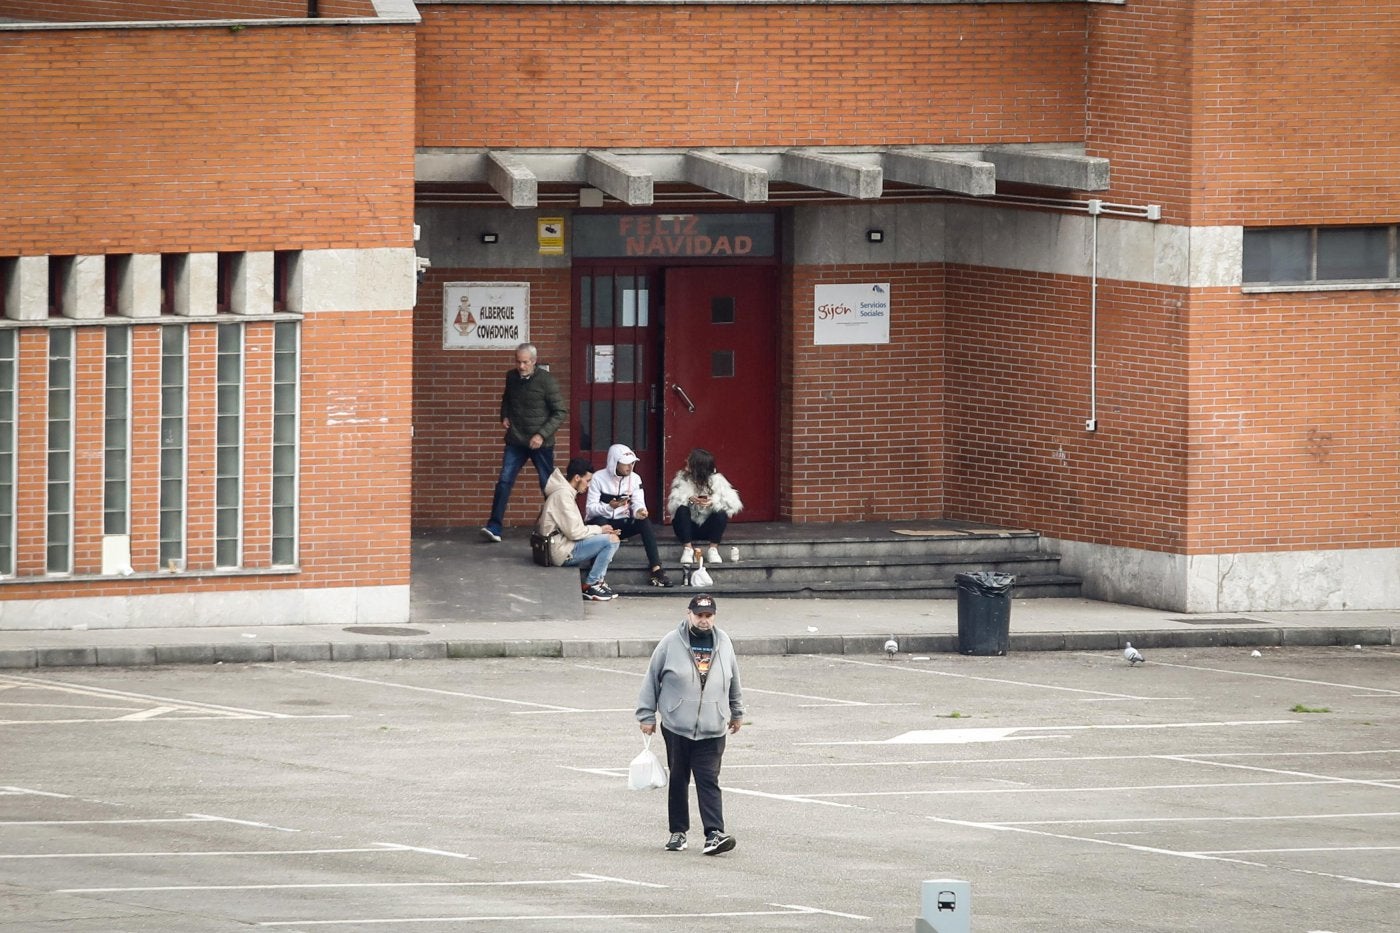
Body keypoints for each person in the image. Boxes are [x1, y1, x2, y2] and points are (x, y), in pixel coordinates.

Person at [636, 593, 744, 855]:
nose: (704, 621)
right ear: (689, 614)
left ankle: (714, 834)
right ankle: (678, 832)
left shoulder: (724, 642)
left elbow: (733, 678)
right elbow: (652, 678)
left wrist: (736, 711)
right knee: (679, 778)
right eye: (699, 615)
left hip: (713, 726)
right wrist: (646, 715)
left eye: (708, 616)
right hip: (677, 725)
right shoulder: (671, 643)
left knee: (709, 779)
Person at [481, 343, 567, 543]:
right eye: (518, 362)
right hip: (516, 440)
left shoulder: (546, 381)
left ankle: (558, 527)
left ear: (534, 362)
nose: (521, 366)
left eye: (525, 362)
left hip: (541, 443)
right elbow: (506, 399)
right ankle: (494, 527)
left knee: (548, 485)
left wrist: (541, 435)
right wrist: (504, 415)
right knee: (504, 481)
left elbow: (560, 412)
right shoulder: (511, 377)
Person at [585, 443, 674, 588]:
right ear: (614, 463)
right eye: (625, 464)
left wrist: (640, 511)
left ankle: (656, 569)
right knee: (601, 521)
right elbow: (590, 509)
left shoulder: (635, 478)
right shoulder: (598, 478)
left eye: (632, 463)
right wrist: (609, 507)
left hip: (621, 524)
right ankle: (597, 576)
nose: (630, 467)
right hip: (600, 525)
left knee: (644, 522)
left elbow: (638, 502)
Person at [536, 457, 621, 601]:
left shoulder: (564, 492)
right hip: (561, 550)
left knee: (612, 537)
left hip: (562, 544)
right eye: (587, 480)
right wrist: (599, 530)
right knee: (611, 540)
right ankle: (591, 585)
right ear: (577, 478)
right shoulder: (563, 495)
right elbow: (575, 532)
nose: (588, 485)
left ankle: (598, 581)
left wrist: (600, 530)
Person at [665, 448, 743, 566]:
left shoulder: (717, 480)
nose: (686, 461)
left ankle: (713, 549)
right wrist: (689, 499)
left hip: (707, 528)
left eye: (690, 460)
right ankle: (688, 549)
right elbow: (672, 505)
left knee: (721, 512)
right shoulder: (682, 478)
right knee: (681, 509)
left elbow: (734, 503)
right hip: (687, 528)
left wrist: (713, 502)